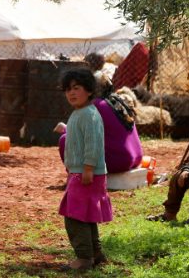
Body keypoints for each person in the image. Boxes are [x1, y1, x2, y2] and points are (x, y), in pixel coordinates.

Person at [58, 68, 112, 271]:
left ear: (89, 90)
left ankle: (84, 258)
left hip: (86, 174)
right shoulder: (80, 113)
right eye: (68, 89)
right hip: (80, 173)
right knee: (86, 215)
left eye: (76, 88)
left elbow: (93, 144)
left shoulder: (89, 115)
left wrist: (88, 169)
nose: (71, 93)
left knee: (74, 217)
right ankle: (96, 254)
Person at [56, 53, 143, 174]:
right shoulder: (117, 100)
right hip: (137, 157)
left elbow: (81, 135)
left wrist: (65, 130)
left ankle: (76, 176)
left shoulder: (95, 105)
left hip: (120, 162)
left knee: (65, 139)